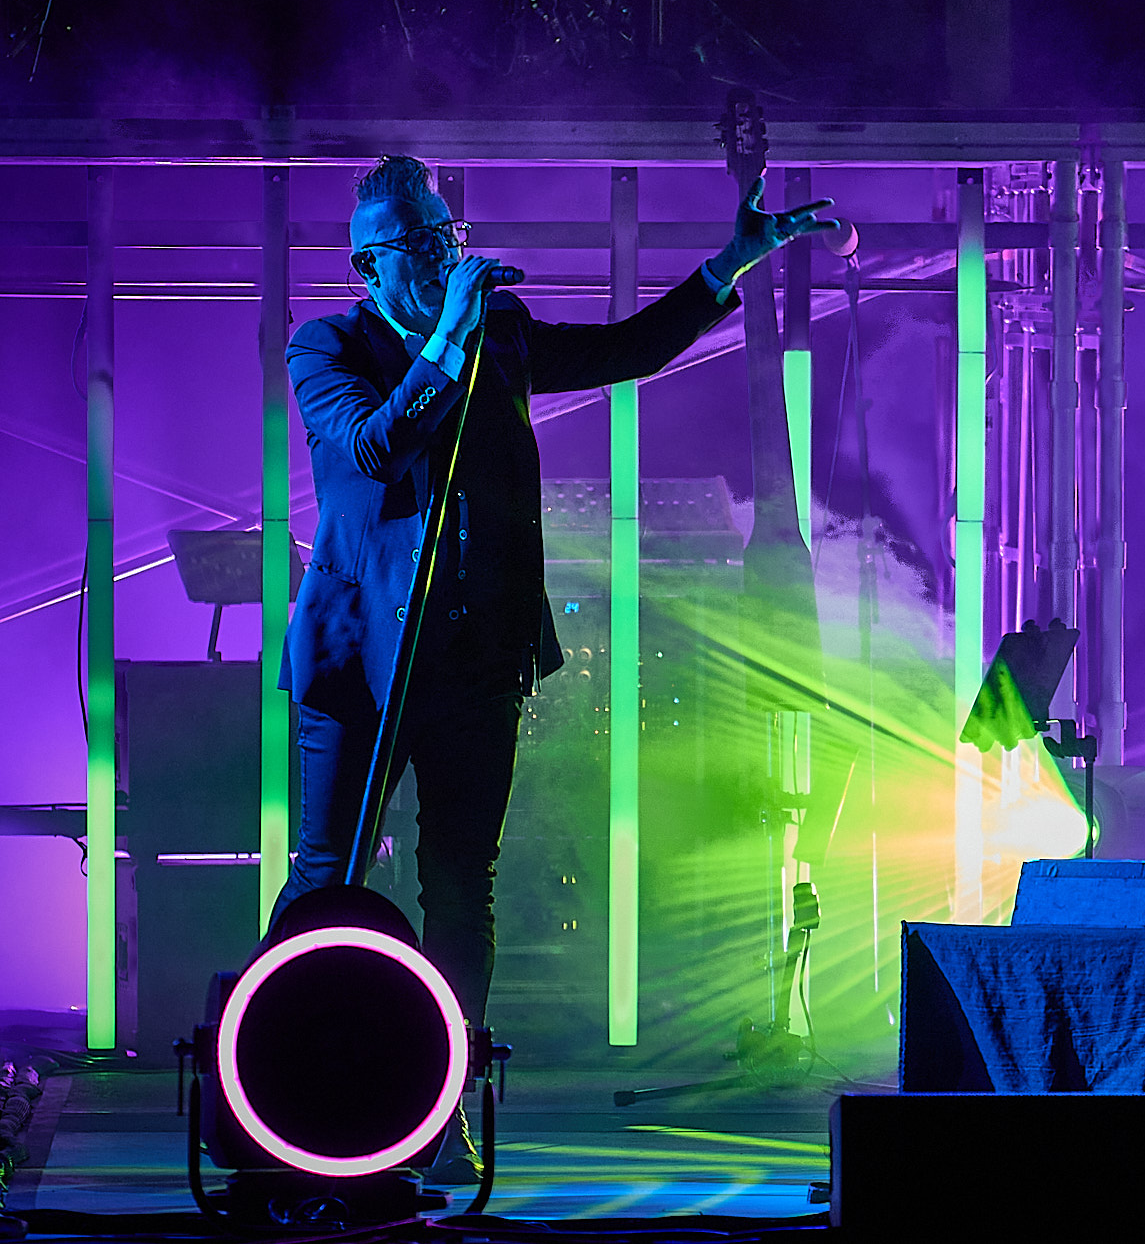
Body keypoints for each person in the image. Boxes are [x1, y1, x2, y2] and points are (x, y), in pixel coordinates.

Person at [273, 155, 836, 1179]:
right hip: (360, 662)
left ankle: (438, 1114)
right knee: (328, 877)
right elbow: (369, 448)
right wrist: (448, 337)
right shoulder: (328, 345)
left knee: (459, 883)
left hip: (473, 660)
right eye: (420, 241)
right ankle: (286, 1094)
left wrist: (732, 262)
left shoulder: (503, 337)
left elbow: (628, 349)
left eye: (448, 233)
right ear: (368, 263)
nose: (446, 252)